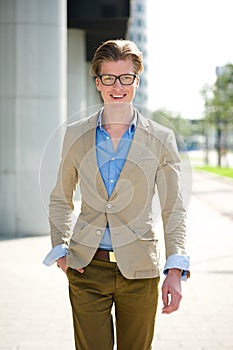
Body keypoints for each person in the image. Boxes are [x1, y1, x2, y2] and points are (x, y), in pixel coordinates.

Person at [43, 39, 190, 350]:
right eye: (109, 78)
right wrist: (61, 250)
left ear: (137, 80)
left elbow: (173, 208)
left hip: (140, 271)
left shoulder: (161, 138)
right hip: (87, 268)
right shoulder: (75, 134)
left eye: (126, 77)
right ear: (98, 82)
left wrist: (175, 270)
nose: (117, 86)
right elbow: (60, 198)